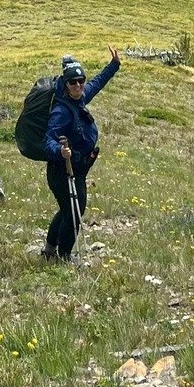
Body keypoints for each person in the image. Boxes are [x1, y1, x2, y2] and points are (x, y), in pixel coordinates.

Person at [42, 49, 121, 261]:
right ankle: (64, 255)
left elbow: (97, 83)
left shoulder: (80, 97)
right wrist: (60, 151)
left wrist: (114, 65)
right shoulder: (61, 110)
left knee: (69, 209)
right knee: (74, 212)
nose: (79, 86)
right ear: (65, 85)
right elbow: (48, 140)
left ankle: (50, 249)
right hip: (62, 171)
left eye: (81, 81)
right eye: (73, 82)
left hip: (78, 168)